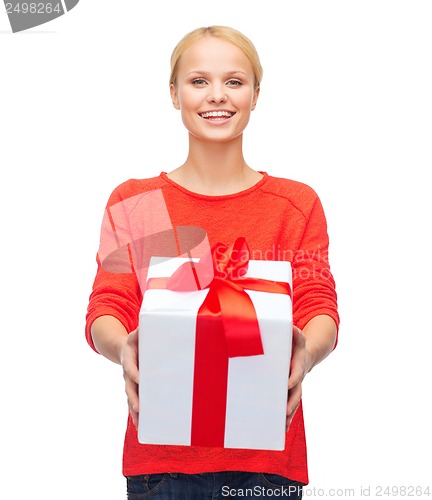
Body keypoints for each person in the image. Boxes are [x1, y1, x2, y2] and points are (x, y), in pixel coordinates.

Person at [85, 25, 339, 499]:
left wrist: (308, 352)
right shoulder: (137, 202)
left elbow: (316, 301)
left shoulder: (295, 204)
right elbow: (108, 305)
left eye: (235, 81)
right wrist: (124, 349)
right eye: (198, 81)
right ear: (174, 92)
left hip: (267, 463)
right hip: (161, 462)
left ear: (256, 95)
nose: (216, 96)